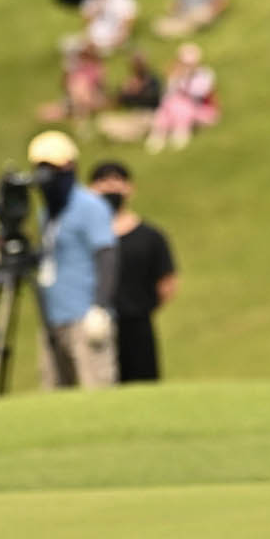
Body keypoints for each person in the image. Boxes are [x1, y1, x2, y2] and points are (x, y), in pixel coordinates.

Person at [27, 130, 118, 390]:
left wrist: (100, 307)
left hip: (85, 316)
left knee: (95, 389)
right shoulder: (47, 213)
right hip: (53, 317)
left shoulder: (90, 206)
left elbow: (107, 256)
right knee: (54, 392)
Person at [89, 162, 177, 383]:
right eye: (103, 181)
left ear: (130, 188)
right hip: (94, 325)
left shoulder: (150, 236)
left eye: (117, 180)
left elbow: (167, 284)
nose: (111, 187)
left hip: (138, 325)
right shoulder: (85, 236)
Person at [146, 43, 218, 153]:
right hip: (174, 108)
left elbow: (199, 94)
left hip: (199, 107)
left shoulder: (204, 74)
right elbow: (167, 94)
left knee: (181, 106)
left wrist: (183, 84)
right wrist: (176, 78)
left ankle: (180, 132)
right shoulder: (176, 75)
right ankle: (159, 134)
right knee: (168, 108)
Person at [72, 0, 138, 56]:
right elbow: (86, 17)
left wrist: (122, 35)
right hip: (96, 33)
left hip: (115, 34)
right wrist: (97, 7)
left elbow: (129, 18)